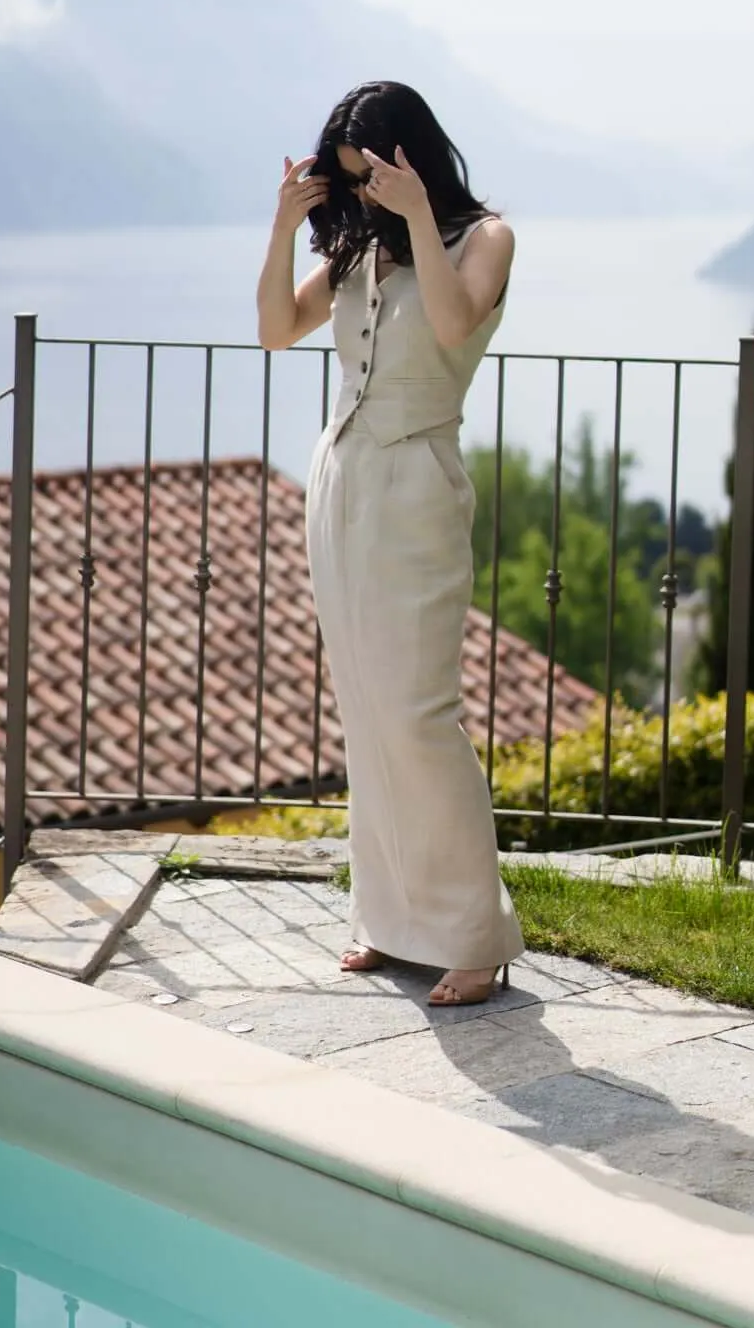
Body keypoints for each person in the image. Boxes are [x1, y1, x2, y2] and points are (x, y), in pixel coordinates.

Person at [256, 80, 523, 1007]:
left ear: (408, 155)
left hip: (416, 484)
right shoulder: (361, 244)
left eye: (370, 175)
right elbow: (273, 331)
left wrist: (412, 216)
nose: (360, 193)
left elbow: (455, 328)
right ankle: (386, 917)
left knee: (417, 711)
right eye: (348, 181)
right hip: (341, 481)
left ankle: (472, 936)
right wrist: (287, 230)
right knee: (363, 707)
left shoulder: (481, 237)